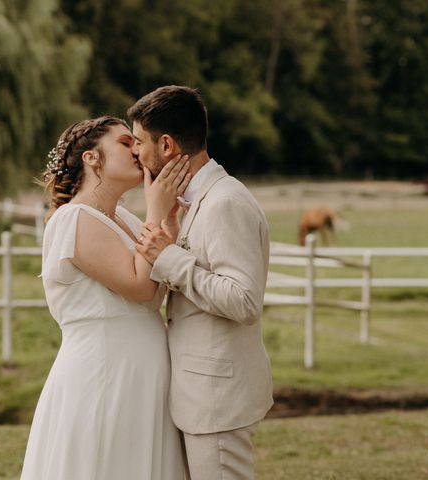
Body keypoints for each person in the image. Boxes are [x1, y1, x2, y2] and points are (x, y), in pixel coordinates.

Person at [20, 116, 190, 480]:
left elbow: (154, 294)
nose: (137, 150)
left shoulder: (126, 219)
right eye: (125, 143)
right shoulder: (71, 219)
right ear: (91, 158)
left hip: (144, 373)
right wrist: (156, 211)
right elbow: (140, 285)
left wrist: (167, 227)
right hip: (103, 374)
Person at [130, 86, 273, 480]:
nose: (135, 154)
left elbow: (244, 301)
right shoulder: (194, 202)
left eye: (140, 142)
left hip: (219, 398)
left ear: (167, 145)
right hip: (200, 394)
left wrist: (169, 259)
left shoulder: (225, 202)